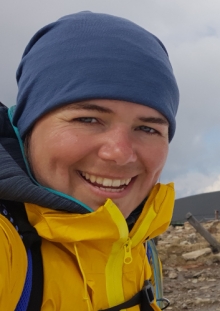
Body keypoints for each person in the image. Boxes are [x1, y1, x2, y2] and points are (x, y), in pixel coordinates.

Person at [0, 11, 179, 310]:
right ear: (27, 126)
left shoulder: (137, 236)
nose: (119, 153)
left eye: (147, 128)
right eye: (88, 118)